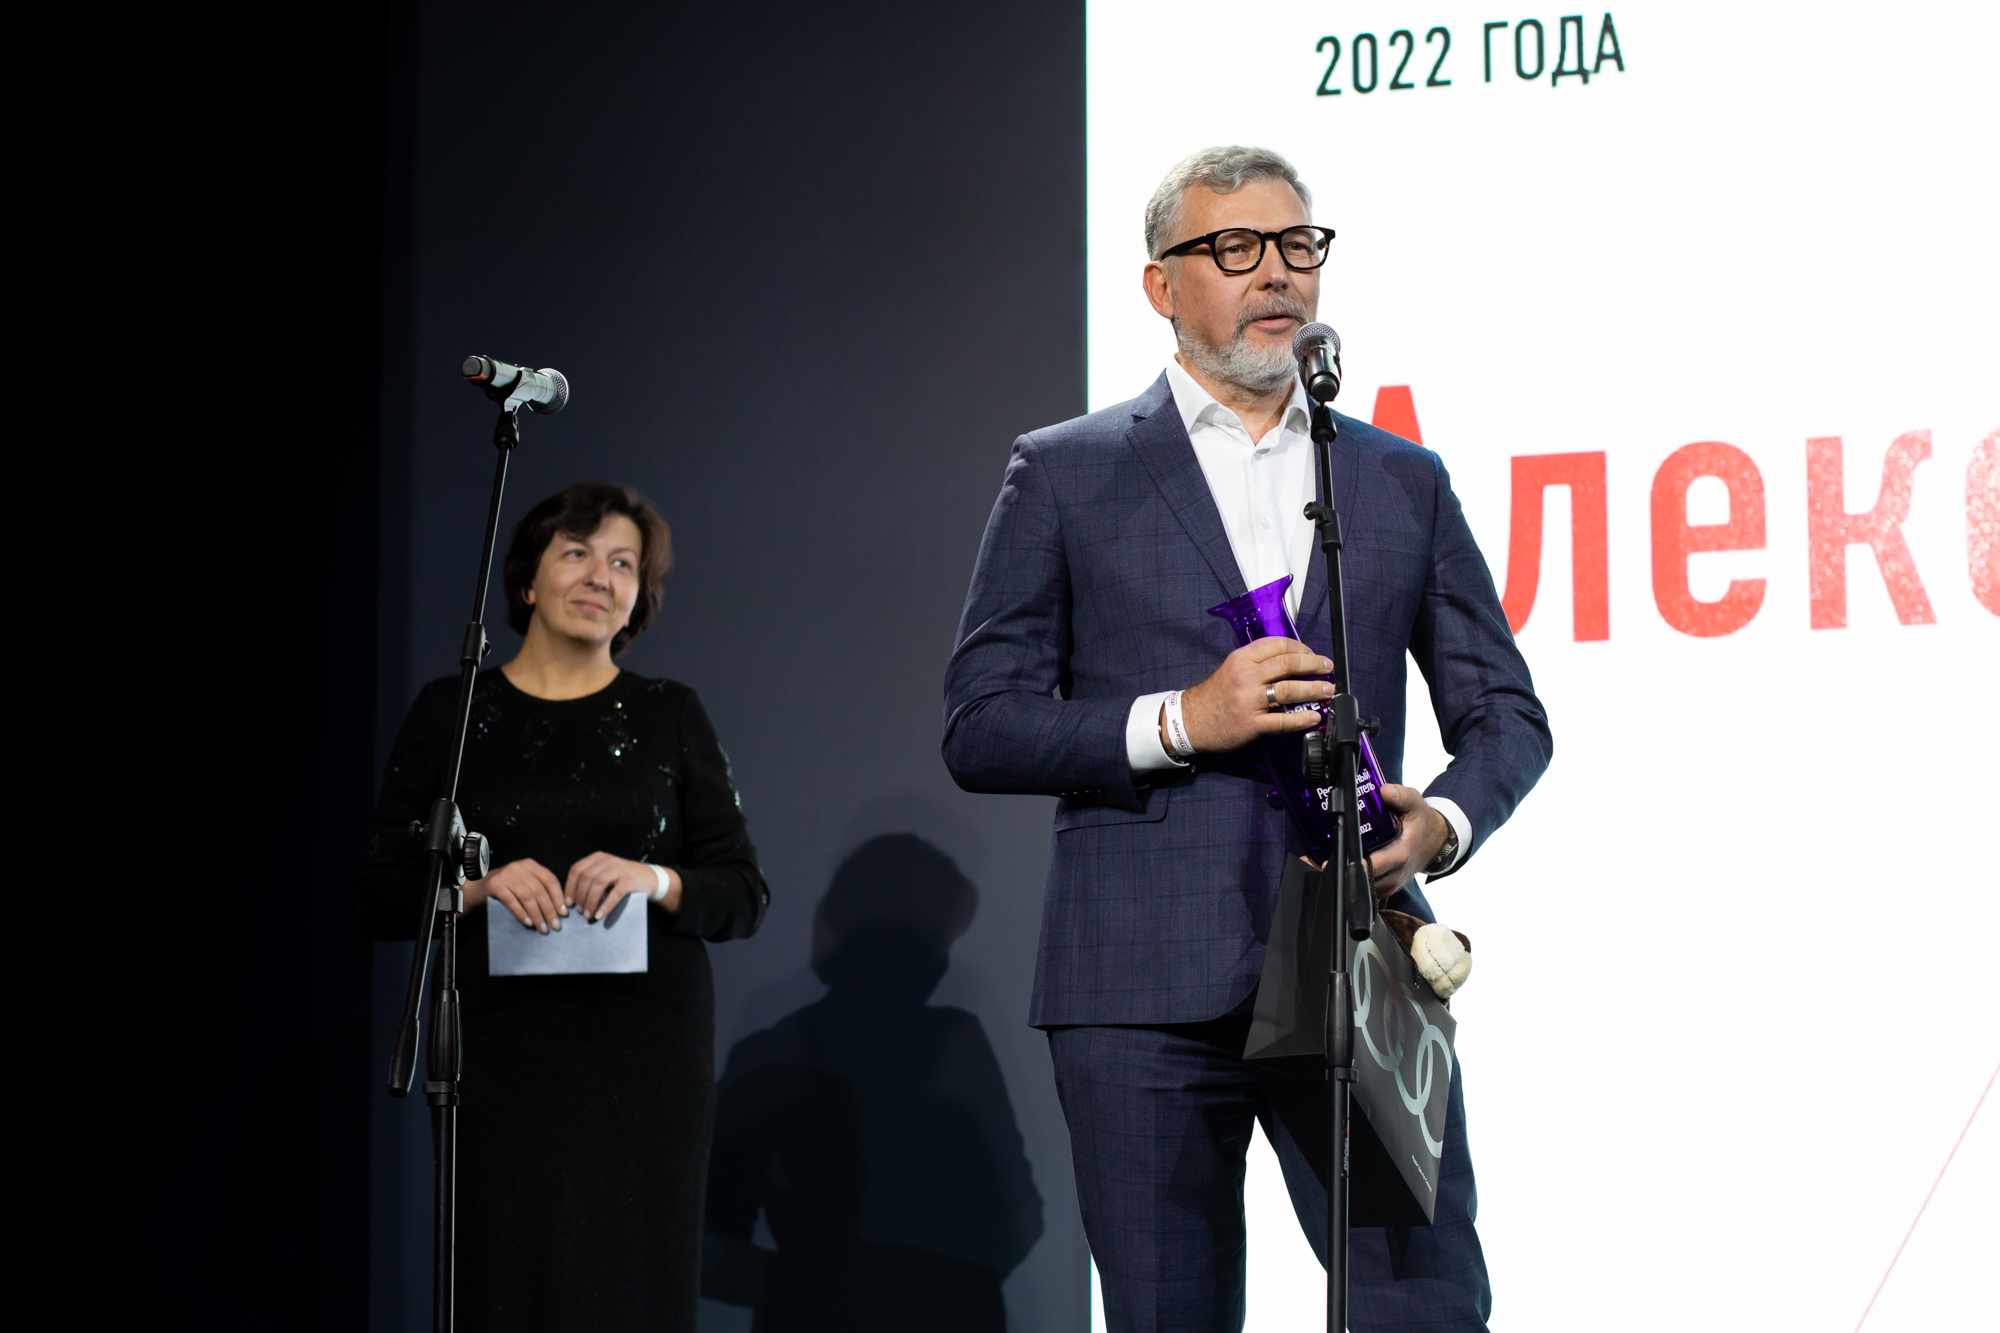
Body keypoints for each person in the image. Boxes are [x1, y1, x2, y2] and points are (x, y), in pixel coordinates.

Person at [942, 146, 1551, 1332]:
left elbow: (1504, 713)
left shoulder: (1398, 478)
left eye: (1295, 245)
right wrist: (1182, 719)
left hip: (1356, 957)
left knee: (1420, 1306)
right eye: (1233, 248)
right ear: (1160, 285)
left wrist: (1439, 822)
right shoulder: (1064, 473)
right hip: (1138, 979)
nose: (1275, 273)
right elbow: (980, 723)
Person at [354, 481, 769, 1333]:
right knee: (507, 1281)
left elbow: (743, 893)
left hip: (645, 1061)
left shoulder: (669, 711)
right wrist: (475, 887)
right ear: (527, 580)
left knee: (634, 1287)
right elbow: (377, 893)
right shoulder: (452, 712)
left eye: (624, 563)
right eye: (577, 552)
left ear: (639, 597)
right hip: (500, 1053)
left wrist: (654, 878)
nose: (600, 577)